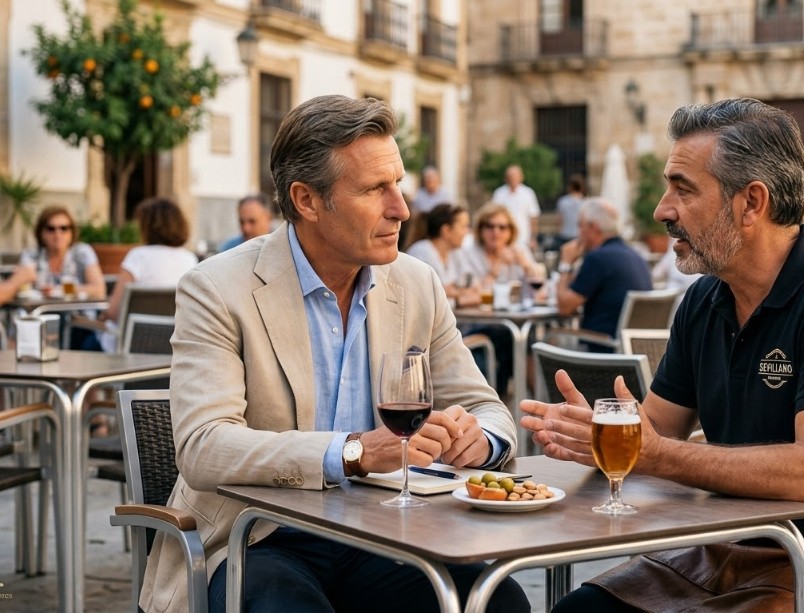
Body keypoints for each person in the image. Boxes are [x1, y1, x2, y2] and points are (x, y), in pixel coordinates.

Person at [521, 98, 804, 612]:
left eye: (683, 189)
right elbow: (658, 429)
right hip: (727, 551)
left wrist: (655, 453)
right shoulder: (704, 299)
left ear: (751, 203)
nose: (662, 210)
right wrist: (600, 437)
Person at [141, 95, 528, 613]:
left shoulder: (416, 283)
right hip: (257, 536)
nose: (401, 208)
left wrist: (480, 441)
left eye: (399, 183)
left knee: (498, 600)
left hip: (387, 532)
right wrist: (352, 452)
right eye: (374, 189)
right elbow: (203, 446)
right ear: (307, 200)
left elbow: (488, 409)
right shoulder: (217, 287)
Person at [92, 197, 197, 353]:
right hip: (173, 346)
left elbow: (114, 312)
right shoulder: (189, 259)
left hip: (130, 345)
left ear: (147, 226)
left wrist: (101, 316)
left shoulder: (138, 256)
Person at [457, 202, 540, 394]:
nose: (496, 232)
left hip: (508, 322)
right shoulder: (469, 255)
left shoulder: (518, 251)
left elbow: (538, 292)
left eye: (503, 227)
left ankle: (518, 395)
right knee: (517, 336)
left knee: (525, 334)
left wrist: (525, 265)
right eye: (490, 226)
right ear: (480, 229)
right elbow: (470, 295)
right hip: (476, 323)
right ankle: (536, 397)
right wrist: (495, 269)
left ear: (511, 231)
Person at [554, 197, 652, 352]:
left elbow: (564, 307)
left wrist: (565, 263)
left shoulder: (597, 259)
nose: (578, 233)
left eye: (580, 225)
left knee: (546, 343)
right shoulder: (636, 256)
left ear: (593, 227)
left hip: (602, 350)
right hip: (632, 352)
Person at [19, 205, 107, 348]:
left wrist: (60, 290)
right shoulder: (32, 254)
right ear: (41, 232)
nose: (57, 234)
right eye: (51, 228)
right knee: (22, 322)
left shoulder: (82, 252)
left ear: (72, 231)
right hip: (39, 319)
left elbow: (99, 289)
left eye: (64, 228)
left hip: (79, 321)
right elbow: (21, 287)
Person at [406, 203, 480, 306]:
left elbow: (472, 283)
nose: (467, 232)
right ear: (446, 230)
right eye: (463, 227)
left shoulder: (455, 253)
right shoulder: (421, 252)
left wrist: (454, 291)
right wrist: (458, 299)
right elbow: (428, 298)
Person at [492, 164, 540, 251]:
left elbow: (533, 217)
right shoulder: (499, 193)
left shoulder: (528, 193)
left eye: (515, 176)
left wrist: (533, 238)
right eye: (510, 176)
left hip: (523, 238)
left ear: (521, 177)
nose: (512, 179)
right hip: (503, 238)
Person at [554, 174, 585, 249]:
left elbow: (559, 220)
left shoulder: (562, 201)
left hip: (565, 234)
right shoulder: (585, 203)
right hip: (579, 235)